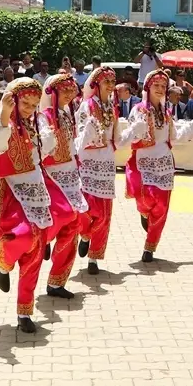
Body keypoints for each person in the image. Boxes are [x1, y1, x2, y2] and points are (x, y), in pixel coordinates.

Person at [0, 78, 53, 333]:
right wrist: (4, 112)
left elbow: (42, 154)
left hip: (35, 187)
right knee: (22, 237)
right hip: (12, 190)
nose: (29, 108)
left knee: (36, 252)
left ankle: (24, 311)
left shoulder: (34, 123)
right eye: (24, 102)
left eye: (34, 104)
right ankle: (1, 261)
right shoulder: (4, 123)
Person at [127, 69, 193, 263]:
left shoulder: (166, 113)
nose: (160, 89)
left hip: (164, 163)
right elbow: (133, 135)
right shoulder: (138, 110)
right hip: (145, 162)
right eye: (156, 85)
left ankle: (150, 247)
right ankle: (143, 211)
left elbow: (175, 136)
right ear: (147, 87)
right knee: (147, 197)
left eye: (163, 86)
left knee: (162, 206)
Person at [75, 67, 146, 275]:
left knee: (104, 215)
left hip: (106, 165)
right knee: (87, 210)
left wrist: (133, 132)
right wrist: (88, 133)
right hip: (88, 164)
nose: (109, 85)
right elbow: (79, 139)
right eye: (105, 81)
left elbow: (117, 141)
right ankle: (85, 235)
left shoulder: (113, 109)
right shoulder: (85, 107)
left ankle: (94, 259)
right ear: (96, 84)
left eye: (111, 81)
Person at [34, 74, 89, 296]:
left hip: (70, 175)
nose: (69, 94)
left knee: (73, 225)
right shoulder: (43, 117)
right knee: (62, 215)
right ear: (52, 92)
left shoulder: (67, 115)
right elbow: (42, 147)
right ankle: (44, 239)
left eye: (71, 90)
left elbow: (72, 144)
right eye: (64, 90)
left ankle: (57, 281)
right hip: (51, 176)